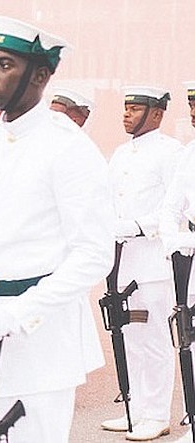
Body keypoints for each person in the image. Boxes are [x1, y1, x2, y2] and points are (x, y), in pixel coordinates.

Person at [0, 16, 113, 443]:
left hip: (41, 337)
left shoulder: (68, 148)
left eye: (5, 65)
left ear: (40, 75)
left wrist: (16, 314)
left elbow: (93, 254)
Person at [102, 86, 183, 441]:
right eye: (124, 108)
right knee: (129, 337)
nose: (126, 114)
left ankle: (156, 414)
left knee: (153, 340)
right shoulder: (120, 154)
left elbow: (173, 209)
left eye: (134, 108)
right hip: (120, 262)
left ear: (156, 114)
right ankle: (135, 409)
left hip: (151, 262)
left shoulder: (171, 153)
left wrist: (136, 227)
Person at [158, 80, 195, 443]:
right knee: (192, 341)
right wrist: (172, 237)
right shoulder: (189, 153)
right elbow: (170, 207)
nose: (194, 113)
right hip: (191, 259)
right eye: (191, 106)